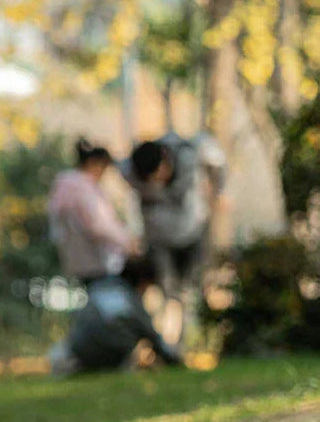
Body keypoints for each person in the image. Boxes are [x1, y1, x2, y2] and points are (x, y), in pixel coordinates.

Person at [120, 132, 227, 342]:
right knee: (166, 291)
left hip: (192, 233)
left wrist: (217, 193)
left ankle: (184, 342)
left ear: (165, 159)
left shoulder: (189, 154)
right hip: (159, 241)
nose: (156, 183)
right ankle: (163, 342)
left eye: (158, 175)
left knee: (189, 290)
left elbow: (217, 160)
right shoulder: (130, 170)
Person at [47, 256, 182, 375]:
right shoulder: (131, 301)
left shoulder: (99, 287)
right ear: (144, 282)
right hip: (111, 360)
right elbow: (153, 337)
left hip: (78, 352)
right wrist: (175, 361)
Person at [47, 138, 136, 283]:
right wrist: (126, 243)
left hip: (75, 261)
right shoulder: (82, 189)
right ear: (93, 163)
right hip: (96, 260)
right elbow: (98, 224)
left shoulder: (64, 186)